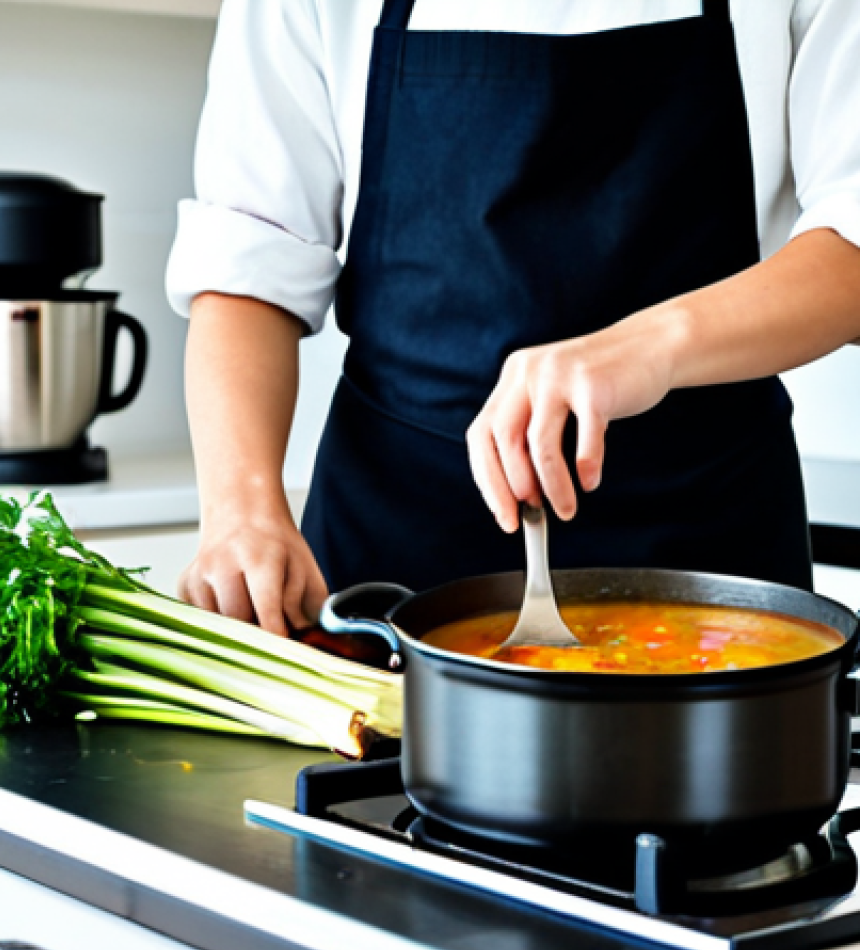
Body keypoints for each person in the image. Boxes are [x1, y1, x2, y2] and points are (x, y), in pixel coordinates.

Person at [167, 0, 860, 636]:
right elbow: (250, 253)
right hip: (391, 567)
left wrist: (648, 345)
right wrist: (241, 510)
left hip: (711, 563)